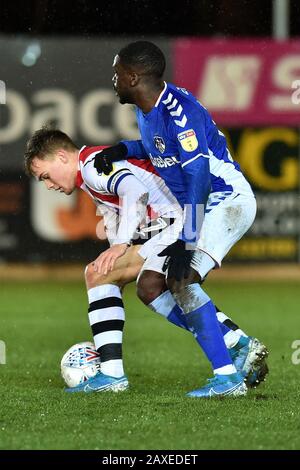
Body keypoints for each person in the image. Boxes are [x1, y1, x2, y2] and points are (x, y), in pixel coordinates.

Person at [24, 128, 267, 396]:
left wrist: (120, 246)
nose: (49, 185)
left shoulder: (93, 165)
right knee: (132, 283)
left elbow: (135, 192)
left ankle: (113, 374)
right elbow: (116, 219)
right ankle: (234, 341)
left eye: (45, 176)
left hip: (184, 221)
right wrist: (117, 252)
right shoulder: (89, 175)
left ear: (61, 157)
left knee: (107, 276)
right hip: (173, 223)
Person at [93, 40, 269, 397]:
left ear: (132, 76)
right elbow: (158, 148)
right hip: (201, 203)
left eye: (116, 74)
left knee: (182, 278)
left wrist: (186, 240)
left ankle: (227, 377)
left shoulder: (179, 111)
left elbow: (200, 177)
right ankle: (235, 344)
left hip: (224, 199)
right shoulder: (148, 108)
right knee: (149, 287)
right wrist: (122, 149)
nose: (112, 80)